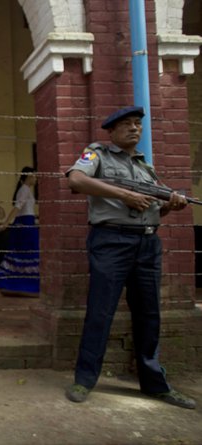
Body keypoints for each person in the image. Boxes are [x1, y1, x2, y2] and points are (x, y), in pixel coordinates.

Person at [65, 106, 196, 409]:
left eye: (138, 124)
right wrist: (125, 195)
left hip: (148, 242)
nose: (134, 129)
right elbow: (75, 180)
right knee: (101, 311)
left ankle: (155, 384)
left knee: (149, 314)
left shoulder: (145, 167)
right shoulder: (97, 154)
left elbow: (155, 206)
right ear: (111, 131)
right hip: (112, 241)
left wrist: (171, 204)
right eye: (126, 125)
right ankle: (84, 380)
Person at [0, 166, 39, 298]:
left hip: (27, 223)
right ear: (28, 176)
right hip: (24, 226)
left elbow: (24, 210)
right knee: (26, 254)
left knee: (20, 255)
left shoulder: (26, 190)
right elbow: (17, 208)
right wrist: (6, 223)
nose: (36, 178)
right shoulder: (25, 190)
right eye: (34, 175)